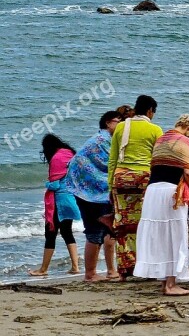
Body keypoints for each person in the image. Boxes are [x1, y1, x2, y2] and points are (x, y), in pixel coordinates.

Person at [134, 114, 189, 296]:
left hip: (153, 190)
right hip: (171, 192)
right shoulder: (184, 141)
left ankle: (164, 283)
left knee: (159, 235)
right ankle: (171, 284)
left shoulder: (160, 139)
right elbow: (188, 172)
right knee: (175, 235)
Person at [107, 95, 163, 279]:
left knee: (123, 225)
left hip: (121, 178)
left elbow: (113, 159)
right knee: (146, 223)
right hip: (144, 179)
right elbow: (158, 160)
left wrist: (110, 186)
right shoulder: (155, 130)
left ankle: (124, 269)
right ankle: (145, 266)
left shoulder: (122, 126)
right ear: (149, 111)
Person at [64, 110, 122, 281]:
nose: (121, 125)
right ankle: (90, 274)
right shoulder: (102, 140)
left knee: (102, 231)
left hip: (89, 191)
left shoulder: (104, 139)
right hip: (90, 192)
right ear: (108, 123)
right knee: (95, 231)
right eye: (119, 121)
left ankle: (97, 272)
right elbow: (110, 164)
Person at [29, 134, 81, 276]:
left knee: (50, 234)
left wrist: (47, 184)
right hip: (70, 198)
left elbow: (55, 184)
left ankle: (43, 269)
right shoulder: (69, 154)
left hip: (59, 200)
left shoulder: (56, 158)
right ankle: (75, 266)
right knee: (66, 232)